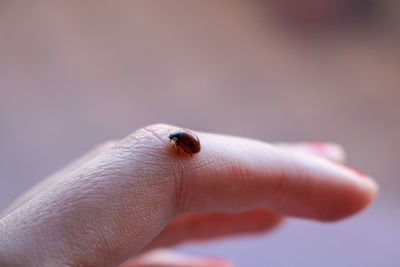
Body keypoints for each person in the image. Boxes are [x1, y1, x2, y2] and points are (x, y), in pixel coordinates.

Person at [0, 124, 378, 267]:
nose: (173, 144)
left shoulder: (180, 143)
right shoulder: (177, 143)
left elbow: (179, 149)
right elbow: (176, 148)